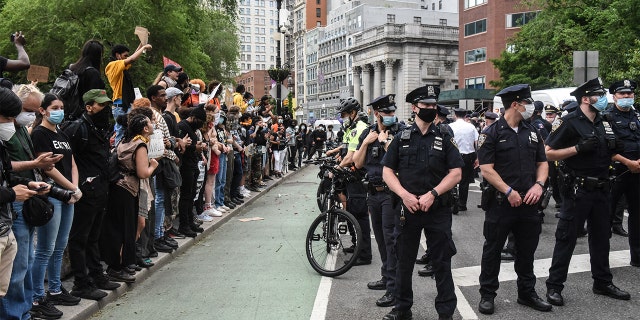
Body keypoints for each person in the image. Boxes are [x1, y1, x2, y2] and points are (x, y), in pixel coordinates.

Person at [545, 77, 630, 306]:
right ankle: (554, 286)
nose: (603, 99)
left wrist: (616, 149)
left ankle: (602, 282)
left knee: (602, 238)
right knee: (567, 238)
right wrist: (576, 149)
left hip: (603, 189)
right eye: (599, 95)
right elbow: (547, 152)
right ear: (585, 98)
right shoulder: (570, 122)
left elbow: (611, 149)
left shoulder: (605, 121)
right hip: (578, 190)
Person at [381, 85, 462, 320]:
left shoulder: (445, 137)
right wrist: (404, 195)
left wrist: (433, 194)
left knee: (442, 264)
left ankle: (446, 313)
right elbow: (387, 171)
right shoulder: (402, 138)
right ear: (415, 108)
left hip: (437, 210)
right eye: (426, 105)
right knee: (403, 263)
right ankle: (402, 309)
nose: (431, 109)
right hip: (408, 210)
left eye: (433, 105)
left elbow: (456, 173)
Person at [476, 84, 551, 314]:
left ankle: (526, 293)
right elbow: (487, 169)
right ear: (516, 104)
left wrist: (539, 185)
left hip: (529, 203)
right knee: (493, 251)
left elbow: (543, 163)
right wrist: (508, 191)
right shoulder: (491, 133)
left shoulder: (532, 131)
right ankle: (487, 295)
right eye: (527, 103)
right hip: (502, 204)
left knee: (527, 251)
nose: (530, 107)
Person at [29, 94, 83, 317]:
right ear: (42, 111)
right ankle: (36, 297)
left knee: (60, 246)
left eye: (61, 107)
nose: (59, 111)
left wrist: (75, 188)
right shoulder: (40, 134)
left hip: (69, 194)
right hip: (51, 195)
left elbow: (71, 162)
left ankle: (54, 289)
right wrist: (72, 188)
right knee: (45, 249)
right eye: (54, 107)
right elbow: (47, 167)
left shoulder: (60, 133)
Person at [0, 87, 52, 319]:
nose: (29, 116)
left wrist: (30, 183)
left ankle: (24, 310)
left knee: (25, 261)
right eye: (26, 111)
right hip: (11, 207)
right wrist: (13, 193)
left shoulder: (15, 132)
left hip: (14, 207)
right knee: (17, 268)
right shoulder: (8, 132)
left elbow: (7, 171)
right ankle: (15, 313)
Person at [64, 89, 119, 300]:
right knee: (80, 239)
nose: (106, 109)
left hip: (100, 190)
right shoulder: (78, 129)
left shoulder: (97, 128)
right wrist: (76, 185)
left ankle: (96, 276)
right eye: (102, 105)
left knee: (94, 237)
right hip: (86, 191)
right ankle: (81, 283)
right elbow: (66, 159)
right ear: (89, 106)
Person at [353, 94, 402, 308]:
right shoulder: (368, 132)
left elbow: (401, 163)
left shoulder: (401, 133)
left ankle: (393, 288)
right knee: (381, 239)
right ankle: (386, 276)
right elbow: (357, 163)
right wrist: (365, 143)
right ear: (377, 113)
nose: (391, 115)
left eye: (392, 111)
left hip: (391, 195)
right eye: (386, 112)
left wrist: (385, 144)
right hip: (373, 193)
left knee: (392, 241)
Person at [605, 80, 640, 257]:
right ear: (614, 96)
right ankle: (602, 257)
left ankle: (637, 256)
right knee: (606, 215)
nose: (627, 96)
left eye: (630, 93)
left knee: (637, 215)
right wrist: (628, 162)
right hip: (616, 172)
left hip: (637, 172)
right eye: (622, 94)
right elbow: (605, 148)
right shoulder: (606, 117)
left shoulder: (638, 116)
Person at [336, 97, 371, 265]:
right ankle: (358, 245)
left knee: (360, 215)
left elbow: (351, 157)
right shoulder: (352, 128)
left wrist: (339, 168)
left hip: (358, 175)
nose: (343, 117)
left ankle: (364, 254)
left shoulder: (360, 128)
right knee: (353, 212)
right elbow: (345, 150)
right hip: (350, 174)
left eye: (344, 114)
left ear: (353, 113)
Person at [105, 42, 153, 145]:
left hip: (126, 104)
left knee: (129, 131)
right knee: (121, 131)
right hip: (120, 105)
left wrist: (141, 43)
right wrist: (144, 47)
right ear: (118, 55)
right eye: (124, 55)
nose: (127, 57)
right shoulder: (112, 65)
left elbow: (131, 58)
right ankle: (118, 153)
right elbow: (131, 59)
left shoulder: (120, 66)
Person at [177, 106, 208, 237]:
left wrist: (197, 146)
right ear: (194, 118)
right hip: (185, 165)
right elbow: (182, 147)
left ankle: (190, 222)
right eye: (200, 121)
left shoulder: (193, 128)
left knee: (191, 195)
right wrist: (196, 147)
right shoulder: (183, 127)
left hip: (193, 164)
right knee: (186, 195)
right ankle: (184, 225)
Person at [449, 107, 478, 211]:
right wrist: (477, 157)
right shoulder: (471, 127)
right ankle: (462, 204)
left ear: (455, 115)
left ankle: (453, 202)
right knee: (464, 182)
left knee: (451, 179)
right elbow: (477, 143)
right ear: (465, 116)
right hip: (468, 156)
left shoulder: (450, 126)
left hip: (454, 155)